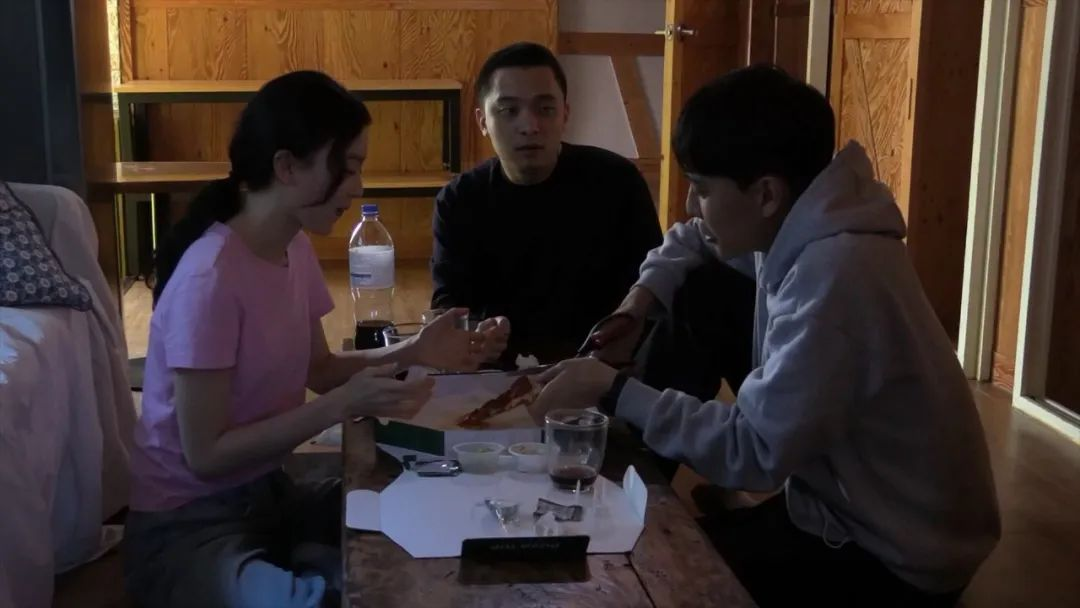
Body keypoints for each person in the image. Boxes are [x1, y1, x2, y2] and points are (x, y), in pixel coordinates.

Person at [529, 65, 1001, 607]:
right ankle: (643, 474)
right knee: (700, 287)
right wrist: (639, 304)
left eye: (701, 189)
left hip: (893, 553)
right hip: (837, 498)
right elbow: (693, 237)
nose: (690, 205)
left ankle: (652, 482)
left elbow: (752, 451)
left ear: (766, 194)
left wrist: (613, 389)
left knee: (654, 576)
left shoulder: (836, 276)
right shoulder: (805, 215)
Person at [123, 71, 494, 608]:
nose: (357, 187)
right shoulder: (210, 278)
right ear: (287, 166)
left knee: (428, 501)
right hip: (187, 527)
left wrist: (414, 350)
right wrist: (342, 406)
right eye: (348, 167)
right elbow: (206, 456)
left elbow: (318, 370)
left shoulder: (292, 248)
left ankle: (305, 558)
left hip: (269, 496)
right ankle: (303, 567)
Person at [430, 42, 665, 365]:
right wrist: (477, 332)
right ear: (482, 121)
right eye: (508, 111)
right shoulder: (459, 201)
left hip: (603, 364)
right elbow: (449, 306)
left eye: (545, 109)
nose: (530, 126)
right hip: (496, 370)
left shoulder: (616, 181)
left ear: (565, 113)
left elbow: (651, 284)